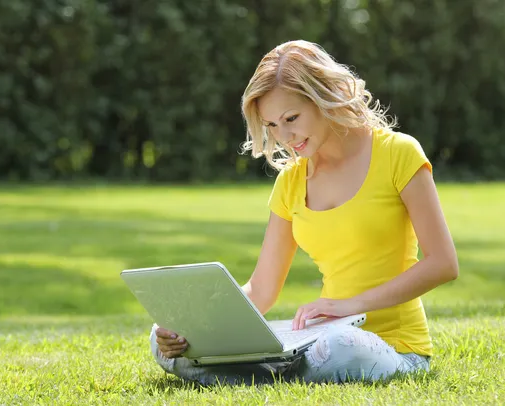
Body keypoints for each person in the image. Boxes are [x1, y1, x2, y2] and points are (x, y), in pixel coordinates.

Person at [148, 40, 459, 386]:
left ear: (323, 96)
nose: (284, 136)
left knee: (341, 346)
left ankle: (263, 375)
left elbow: (443, 264)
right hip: (320, 341)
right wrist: (192, 324)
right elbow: (262, 290)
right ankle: (284, 370)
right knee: (162, 344)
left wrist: (350, 306)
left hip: (391, 349)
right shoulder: (291, 181)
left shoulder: (398, 153)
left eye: (291, 118)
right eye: (272, 125)